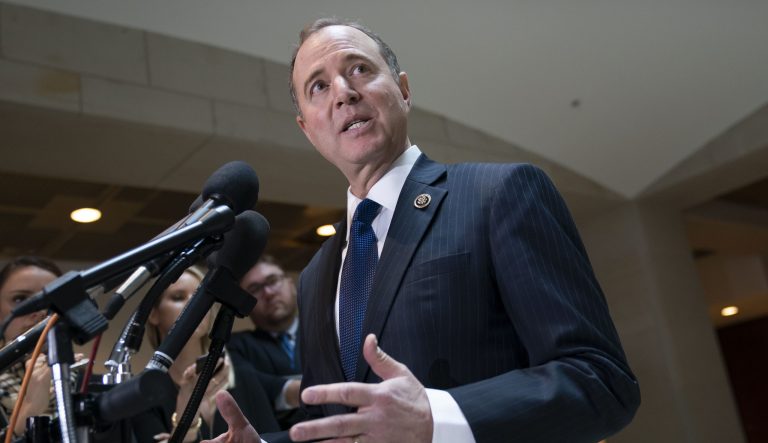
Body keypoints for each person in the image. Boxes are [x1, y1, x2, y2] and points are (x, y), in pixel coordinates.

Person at [207, 17, 640, 443]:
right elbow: (336, 425)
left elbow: (600, 380)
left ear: (404, 90)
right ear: (307, 128)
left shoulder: (499, 194)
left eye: (359, 69)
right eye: (318, 86)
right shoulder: (316, 274)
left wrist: (436, 418)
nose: (343, 92)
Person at [134, 266, 279, 442]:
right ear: (153, 314)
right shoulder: (142, 393)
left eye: (201, 297)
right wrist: (185, 424)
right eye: (178, 297)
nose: (195, 305)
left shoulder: (242, 374)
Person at [227, 255, 305, 429]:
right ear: (245, 305)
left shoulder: (330, 332)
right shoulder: (235, 347)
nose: (268, 293)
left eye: (273, 281)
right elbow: (246, 387)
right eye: (255, 289)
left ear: (291, 285)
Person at [0, 256, 66, 438]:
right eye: (20, 299)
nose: (40, 312)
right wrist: (29, 409)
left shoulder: (91, 387)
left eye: (51, 300)